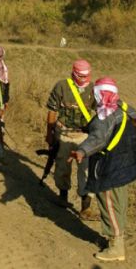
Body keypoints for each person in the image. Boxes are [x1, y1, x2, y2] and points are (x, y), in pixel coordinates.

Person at [70, 76, 136, 262]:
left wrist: (81, 151)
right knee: (119, 205)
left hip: (109, 168)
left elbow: (99, 139)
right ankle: (117, 239)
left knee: (109, 205)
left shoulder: (105, 116)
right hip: (126, 165)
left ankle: (116, 247)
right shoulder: (127, 109)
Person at [45, 59, 98, 221]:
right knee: (62, 166)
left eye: (86, 75)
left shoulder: (93, 88)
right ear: (74, 73)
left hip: (85, 136)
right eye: (81, 76)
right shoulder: (62, 86)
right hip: (65, 133)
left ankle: (86, 207)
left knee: (87, 171)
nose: (84, 78)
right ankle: (62, 197)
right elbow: (52, 111)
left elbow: (101, 112)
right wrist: (50, 134)